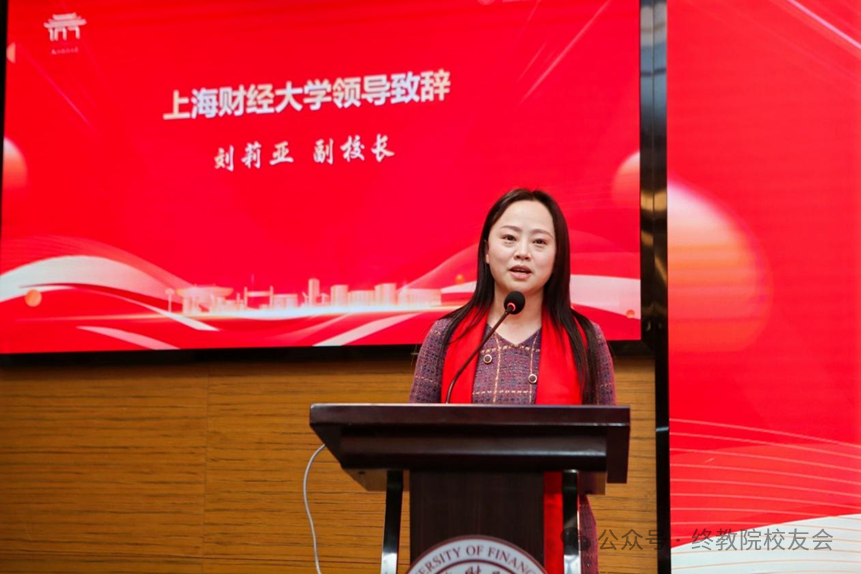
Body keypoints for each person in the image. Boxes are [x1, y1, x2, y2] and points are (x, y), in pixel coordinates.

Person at [409, 188, 616, 574]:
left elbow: (604, 448)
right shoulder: (445, 335)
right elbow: (410, 441)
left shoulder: (585, 339)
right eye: (509, 238)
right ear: (486, 251)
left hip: (561, 539)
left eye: (539, 242)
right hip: (458, 533)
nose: (523, 252)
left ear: (557, 257)